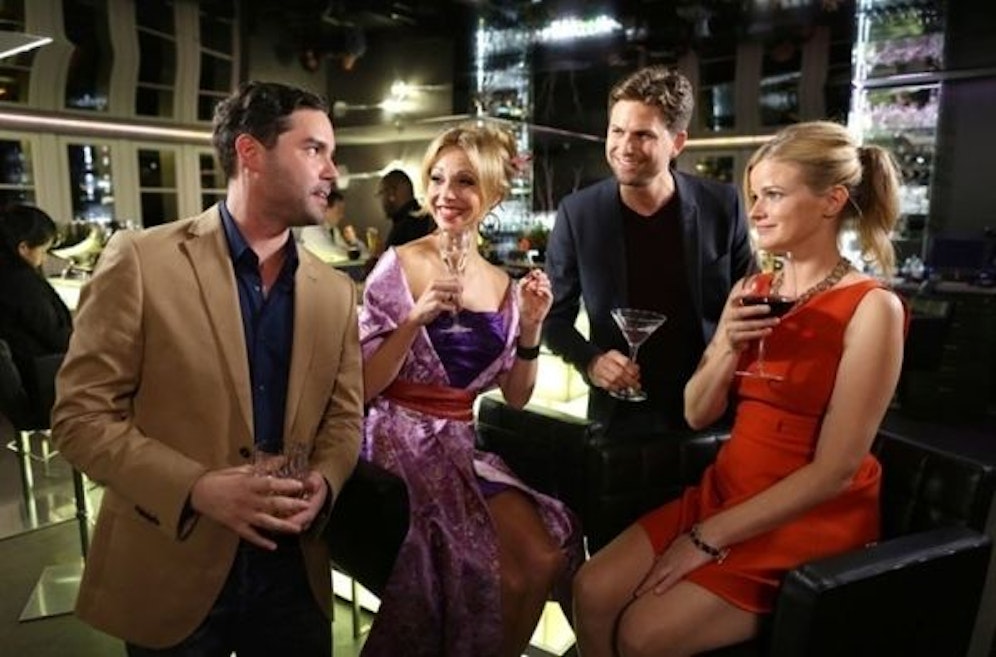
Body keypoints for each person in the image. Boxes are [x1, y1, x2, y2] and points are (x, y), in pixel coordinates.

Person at [572, 120, 907, 656]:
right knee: (591, 589)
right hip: (726, 491)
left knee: (642, 634)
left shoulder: (872, 307)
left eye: (773, 195)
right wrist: (727, 343)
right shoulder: (752, 289)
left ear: (832, 201)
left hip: (808, 518)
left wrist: (708, 537)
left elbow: (836, 471)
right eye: (754, 196)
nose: (755, 211)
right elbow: (697, 413)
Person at [51, 81, 364, 655]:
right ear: (250, 153)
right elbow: (80, 419)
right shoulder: (141, 260)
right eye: (313, 149)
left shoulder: (336, 292)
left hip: (294, 573)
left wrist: (325, 479)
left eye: (331, 153)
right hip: (173, 559)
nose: (331, 171)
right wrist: (195, 488)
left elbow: (344, 419)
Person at [358, 123, 582, 657]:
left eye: (465, 181)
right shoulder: (400, 264)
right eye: (437, 179)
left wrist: (531, 329)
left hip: (460, 446)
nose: (446, 194)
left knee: (545, 557)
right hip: (395, 441)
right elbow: (362, 385)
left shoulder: (504, 286)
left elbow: (518, 395)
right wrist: (413, 320)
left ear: (494, 194)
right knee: (485, 567)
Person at [543, 66, 752, 438]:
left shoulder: (723, 205)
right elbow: (553, 319)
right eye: (617, 131)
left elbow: (746, 305)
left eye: (643, 135)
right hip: (619, 417)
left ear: (677, 142)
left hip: (710, 410)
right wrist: (591, 362)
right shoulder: (578, 214)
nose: (625, 147)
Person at [0, 204, 73, 404]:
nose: (44, 259)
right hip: (40, 380)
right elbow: (52, 333)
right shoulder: (21, 282)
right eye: (43, 250)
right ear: (23, 248)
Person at [299, 189, 367, 261]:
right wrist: (353, 254)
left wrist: (353, 240)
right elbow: (331, 254)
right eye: (339, 211)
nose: (341, 216)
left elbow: (360, 253)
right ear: (325, 209)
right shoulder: (312, 230)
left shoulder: (334, 230)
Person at [379, 168, 435, 249]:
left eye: (381, 193)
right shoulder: (428, 220)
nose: (381, 200)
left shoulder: (402, 231)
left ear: (391, 193)